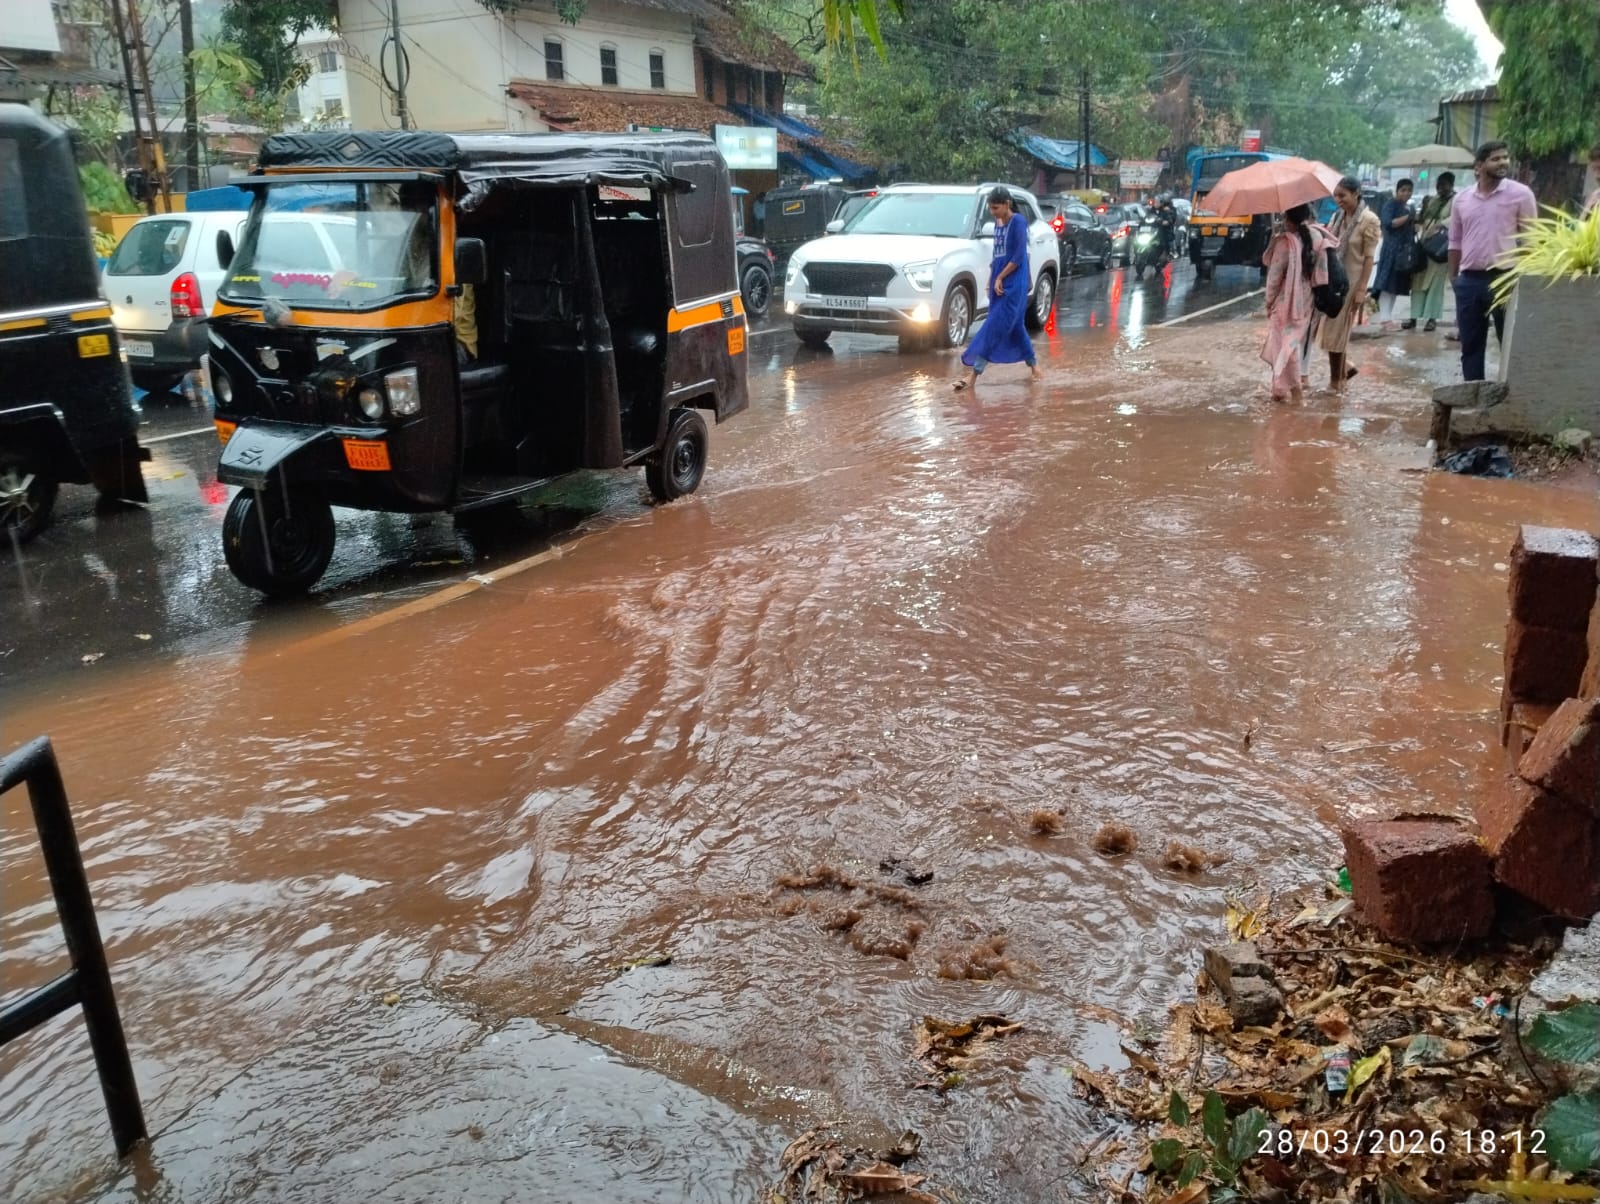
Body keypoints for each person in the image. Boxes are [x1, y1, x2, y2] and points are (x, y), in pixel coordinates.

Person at [1449, 140, 1538, 381]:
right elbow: (1455, 241)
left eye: (1505, 157)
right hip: (1469, 280)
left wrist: (1527, 278)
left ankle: (1511, 393)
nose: (1503, 162)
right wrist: (1454, 278)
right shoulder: (1462, 200)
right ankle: (1473, 392)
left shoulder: (1521, 194)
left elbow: (1531, 240)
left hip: (1505, 278)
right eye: (1496, 159)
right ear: (1479, 166)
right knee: (1470, 344)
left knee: (1509, 342)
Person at [954, 186, 1040, 391]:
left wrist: (1000, 277)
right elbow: (997, 256)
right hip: (999, 284)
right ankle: (1035, 368)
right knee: (1016, 327)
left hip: (1014, 284)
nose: (993, 212)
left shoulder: (1018, 222)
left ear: (1007, 204)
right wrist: (991, 279)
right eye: (991, 208)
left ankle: (973, 376)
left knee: (994, 327)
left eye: (996, 208)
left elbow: (1018, 257)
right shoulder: (997, 224)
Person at [1261, 202, 1334, 404]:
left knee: (1286, 347)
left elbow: (1273, 277)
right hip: (1307, 300)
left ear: (1288, 219)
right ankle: (1280, 389)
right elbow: (1321, 274)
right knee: (1291, 344)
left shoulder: (1284, 243)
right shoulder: (1318, 237)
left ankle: (1294, 392)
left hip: (1285, 301)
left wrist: (1269, 302)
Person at [1314, 176, 1380, 391]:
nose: (1338, 200)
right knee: (1329, 330)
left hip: (1352, 282)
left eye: (1342, 195)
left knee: (1336, 331)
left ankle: (1336, 382)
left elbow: (1369, 258)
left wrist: (1362, 289)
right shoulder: (1338, 217)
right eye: (1335, 196)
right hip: (1334, 281)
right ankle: (1345, 369)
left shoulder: (1369, 220)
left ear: (1356, 193)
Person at [1409, 172, 1456, 332]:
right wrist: (1422, 209)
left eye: (1443, 185)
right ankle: (1413, 317)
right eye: (1438, 185)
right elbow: (1421, 219)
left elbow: (1456, 219)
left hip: (1440, 247)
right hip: (1425, 244)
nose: (1440, 188)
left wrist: (1440, 225)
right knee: (1417, 281)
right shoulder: (1432, 200)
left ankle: (1432, 319)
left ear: (1451, 185)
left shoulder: (1457, 201)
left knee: (1436, 283)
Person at [1371, 178, 1415, 330]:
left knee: (1395, 285)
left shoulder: (1407, 207)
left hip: (1403, 251)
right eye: (1403, 190)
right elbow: (1389, 223)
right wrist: (1407, 217)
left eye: (1409, 190)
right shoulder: (1390, 205)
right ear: (1397, 191)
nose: (1406, 193)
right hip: (1391, 250)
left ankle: (1388, 317)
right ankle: (1385, 318)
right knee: (1386, 283)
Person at [1583, 142, 1600, 217]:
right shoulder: (1594, 197)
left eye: (1599, 168)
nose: (1597, 176)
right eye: (1594, 169)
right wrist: (1587, 209)